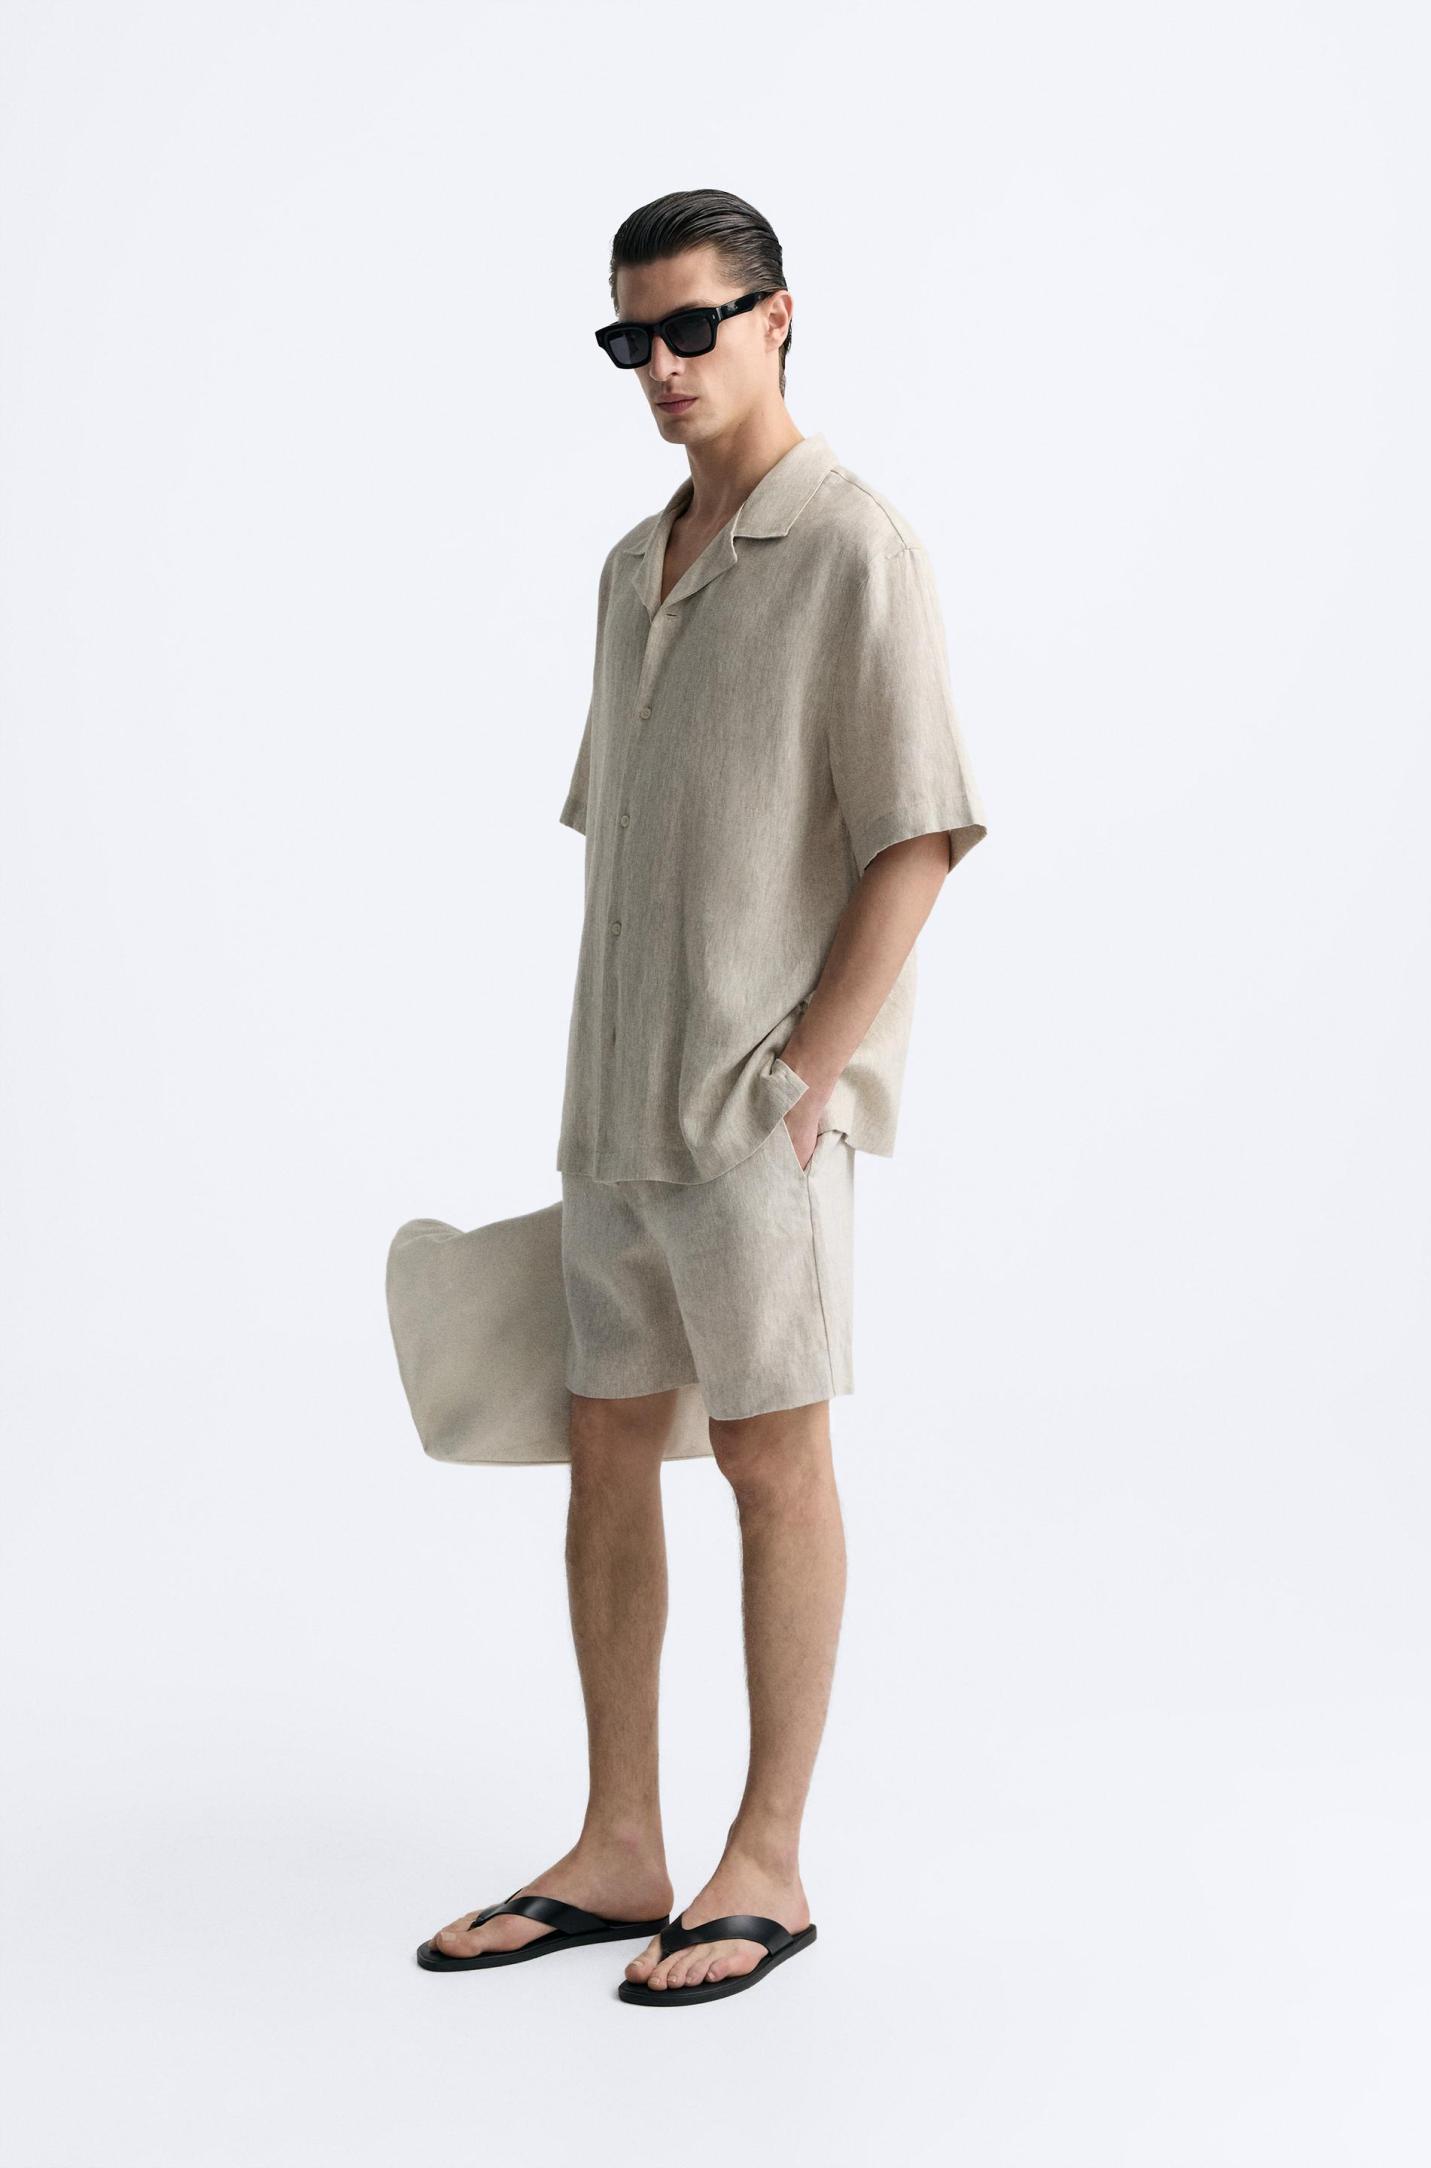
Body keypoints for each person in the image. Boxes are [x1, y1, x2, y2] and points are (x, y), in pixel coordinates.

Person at [417, 189, 987, 2007]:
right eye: (630, 338)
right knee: (603, 1450)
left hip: (754, 1113)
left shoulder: (852, 545)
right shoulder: (629, 566)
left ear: (776, 317)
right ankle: (618, 1846)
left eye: (692, 326)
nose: (660, 365)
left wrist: (809, 1071)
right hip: (613, 1098)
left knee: (767, 1460)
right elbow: (628, 838)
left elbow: (916, 833)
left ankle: (768, 1861)